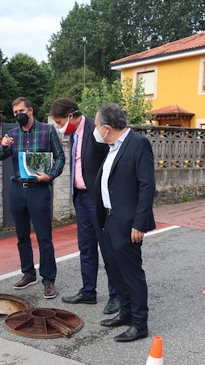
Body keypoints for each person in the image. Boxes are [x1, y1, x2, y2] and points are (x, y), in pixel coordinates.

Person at [49, 98, 119, 315]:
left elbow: (112, 160)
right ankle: (88, 291)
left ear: (71, 116)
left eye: (60, 122)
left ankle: (116, 295)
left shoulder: (96, 130)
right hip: (80, 197)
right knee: (86, 246)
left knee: (106, 247)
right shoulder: (73, 134)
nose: (59, 127)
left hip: (96, 198)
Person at [94, 103, 156, 342]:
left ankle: (140, 324)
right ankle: (126, 313)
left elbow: (146, 185)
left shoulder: (138, 144)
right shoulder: (112, 147)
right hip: (108, 219)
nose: (96, 130)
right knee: (115, 271)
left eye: (97, 126)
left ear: (107, 128)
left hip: (128, 222)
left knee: (132, 274)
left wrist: (140, 223)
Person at [0, 97, 65, 299]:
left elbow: (60, 156)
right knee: (22, 236)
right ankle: (28, 273)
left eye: (21, 110)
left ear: (31, 110)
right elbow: (0, 156)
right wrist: (3, 145)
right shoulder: (12, 133)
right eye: (15, 111)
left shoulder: (47, 130)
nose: (18, 114)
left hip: (39, 189)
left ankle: (48, 279)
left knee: (44, 237)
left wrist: (50, 175)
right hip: (17, 189)